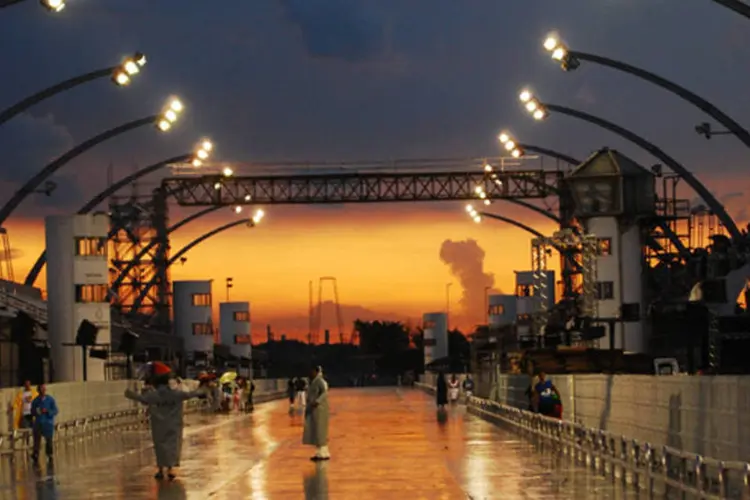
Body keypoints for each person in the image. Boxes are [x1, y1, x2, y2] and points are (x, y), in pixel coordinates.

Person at [124, 362, 206, 480]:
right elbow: (189, 394)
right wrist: (202, 390)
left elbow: (142, 399)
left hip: (158, 425)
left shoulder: (154, 395)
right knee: (174, 446)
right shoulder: (176, 394)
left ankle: (161, 469)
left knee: (160, 446)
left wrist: (129, 393)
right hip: (175, 424)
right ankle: (172, 468)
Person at [302, 365, 330, 461]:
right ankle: (320, 452)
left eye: (313, 371)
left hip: (320, 409)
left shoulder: (320, 381)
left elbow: (325, 392)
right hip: (314, 409)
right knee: (316, 431)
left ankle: (324, 453)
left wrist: (317, 401)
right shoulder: (313, 381)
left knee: (320, 430)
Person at [30, 384, 58, 464]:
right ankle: (35, 454)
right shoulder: (35, 401)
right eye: (41, 389)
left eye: (44, 389)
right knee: (36, 440)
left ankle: (49, 454)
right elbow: (32, 411)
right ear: (38, 391)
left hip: (48, 423)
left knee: (48, 440)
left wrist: (48, 411)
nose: (42, 391)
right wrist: (38, 412)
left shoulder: (50, 400)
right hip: (38, 422)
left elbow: (55, 410)